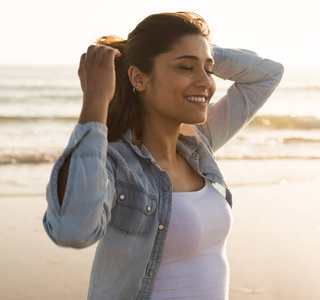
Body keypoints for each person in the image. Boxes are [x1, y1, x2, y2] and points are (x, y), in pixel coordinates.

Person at [43, 11, 283, 300]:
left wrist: (199, 50)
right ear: (139, 78)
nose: (206, 82)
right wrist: (96, 99)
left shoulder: (198, 146)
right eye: (185, 67)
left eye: (208, 69)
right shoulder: (113, 163)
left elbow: (267, 73)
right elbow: (73, 230)